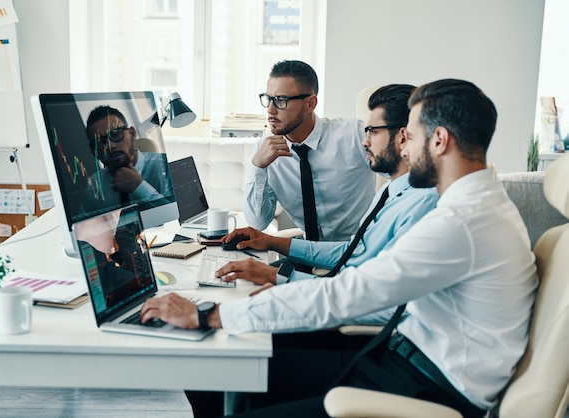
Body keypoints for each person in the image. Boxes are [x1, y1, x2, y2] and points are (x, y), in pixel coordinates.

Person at [140, 79, 539, 418]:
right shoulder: (477, 207)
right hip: (394, 358)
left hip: (420, 387)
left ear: (439, 140)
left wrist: (211, 314)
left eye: (411, 137)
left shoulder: (462, 221)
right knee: (217, 369)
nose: (404, 147)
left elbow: (351, 292)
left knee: (223, 365)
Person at [217, 84, 439, 287]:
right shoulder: (391, 191)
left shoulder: (421, 203)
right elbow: (353, 252)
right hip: (339, 278)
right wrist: (269, 242)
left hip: (350, 307)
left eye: (372, 131)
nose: (364, 141)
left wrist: (280, 279)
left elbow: (379, 293)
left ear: (403, 137)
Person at [244, 60, 376, 241]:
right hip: (310, 254)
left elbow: (402, 180)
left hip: (360, 251)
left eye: (281, 100)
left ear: (310, 104)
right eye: (268, 99)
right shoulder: (266, 149)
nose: (271, 110)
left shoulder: (354, 135)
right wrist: (257, 168)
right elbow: (257, 223)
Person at [80, 105, 174, 215]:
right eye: (100, 143)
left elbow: (179, 219)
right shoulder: (94, 186)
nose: (110, 146)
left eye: (115, 134)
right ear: (94, 152)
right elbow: (86, 229)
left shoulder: (166, 165)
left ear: (132, 134)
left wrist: (139, 187)